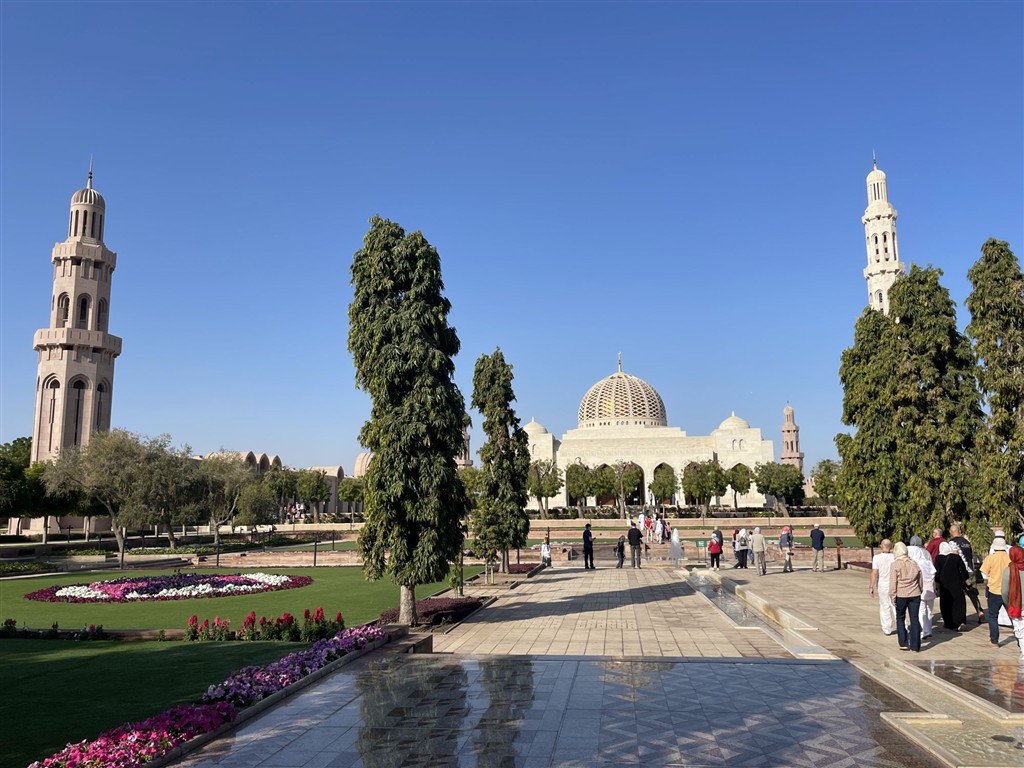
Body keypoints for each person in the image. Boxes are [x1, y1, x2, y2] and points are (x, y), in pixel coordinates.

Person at [890, 542, 924, 651]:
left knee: (900, 618)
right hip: (915, 593)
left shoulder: (895, 565)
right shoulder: (914, 563)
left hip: (901, 594)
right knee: (914, 619)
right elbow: (920, 579)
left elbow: (893, 583)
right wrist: (920, 590)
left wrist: (893, 596)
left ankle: (903, 642)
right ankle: (915, 645)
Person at [949, 522, 984, 624]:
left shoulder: (952, 542)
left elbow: (953, 557)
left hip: (960, 571)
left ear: (951, 532)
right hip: (970, 570)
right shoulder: (966, 542)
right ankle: (980, 612)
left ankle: (960, 618)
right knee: (972, 593)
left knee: (959, 595)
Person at [980, 537, 1010, 646]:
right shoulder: (1010, 558)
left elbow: (983, 574)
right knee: (1013, 616)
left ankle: (994, 641)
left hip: (994, 590)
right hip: (1008, 590)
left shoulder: (990, 558)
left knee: (993, 616)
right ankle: (1020, 638)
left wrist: (990, 577)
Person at [908, 535, 936, 639]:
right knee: (929, 609)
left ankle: (925, 630)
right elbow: (933, 573)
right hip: (930, 586)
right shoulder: (927, 556)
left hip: (920, 586)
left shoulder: (915, 561)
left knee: (921, 609)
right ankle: (928, 630)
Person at [999, 543, 1024, 660]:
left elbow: (1004, 591)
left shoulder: (1008, 571)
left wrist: (1009, 603)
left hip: (1016, 606)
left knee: (1020, 631)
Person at [936, 541, 968, 630]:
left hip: (944, 585)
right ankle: (960, 621)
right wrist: (964, 579)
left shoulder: (938, 558)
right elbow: (963, 571)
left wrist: (938, 582)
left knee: (946, 603)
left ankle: (949, 623)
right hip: (957, 583)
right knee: (959, 602)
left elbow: (937, 573)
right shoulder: (956, 557)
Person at [869, 539, 896, 635]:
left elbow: (874, 572)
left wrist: (871, 586)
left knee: (885, 606)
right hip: (894, 584)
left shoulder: (877, 558)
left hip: (883, 585)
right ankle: (902, 625)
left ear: (881, 546)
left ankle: (887, 628)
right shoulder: (894, 557)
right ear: (891, 547)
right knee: (895, 606)